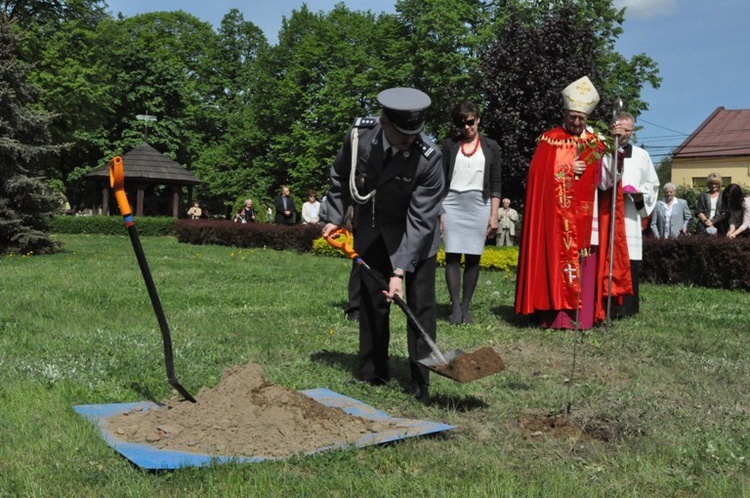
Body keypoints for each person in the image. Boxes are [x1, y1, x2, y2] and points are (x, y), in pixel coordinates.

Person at [321, 87, 443, 404]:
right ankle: (372, 371)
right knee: (372, 302)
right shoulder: (359, 136)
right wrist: (333, 217)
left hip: (415, 237)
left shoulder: (430, 158)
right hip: (373, 230)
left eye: (414, 133)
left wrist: (399, 271)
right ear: (384, 122)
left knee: (420, 306)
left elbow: (420, 220)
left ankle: (421, 379)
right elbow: (339, 176)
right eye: (403, 134)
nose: (410, 140)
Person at [514, 75, 631, 329]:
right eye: (572, 117)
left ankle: (583, 316)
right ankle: (552, 317)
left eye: (582, 118)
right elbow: (537, 176)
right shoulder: (549, 140)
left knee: (584, 266)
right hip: (556, 221)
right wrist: (567, 167)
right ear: (564, 114)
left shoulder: (595, 143)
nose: (577, 122)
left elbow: (606, 182)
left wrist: (616, 150)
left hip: (586, 223)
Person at [440, 100, 502, 324]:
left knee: (474, 257)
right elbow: (439, 181)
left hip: (479, 204)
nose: (467, 127)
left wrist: (494, 215)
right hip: (452, 203)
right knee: (453, 255)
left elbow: (496, 183)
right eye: (461, 124)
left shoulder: (491, 147)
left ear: (478, 120)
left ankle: (467, 307)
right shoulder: (448, 145)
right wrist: (439, 211)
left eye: (470, 122)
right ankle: (455, 307)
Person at [602, 112, 659, 318]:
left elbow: (652, 184)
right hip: (607, 214)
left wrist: (638, 195)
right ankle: (603, 305)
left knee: (628, 259)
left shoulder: (641, 155)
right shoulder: (602, 150)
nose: (625, 134)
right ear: (612, 128)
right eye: (621, 129)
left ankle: (626, 308)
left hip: (629, 216)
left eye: (629, 130)